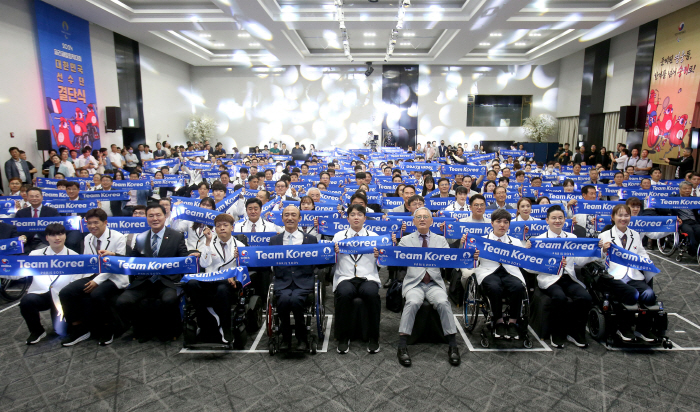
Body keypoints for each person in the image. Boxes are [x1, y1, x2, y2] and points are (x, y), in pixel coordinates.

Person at [115, 204, 191, 342]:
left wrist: (193, 255)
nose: (155, 218)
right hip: (145, 280)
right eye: (151, 216)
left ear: (164, 216)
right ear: (146, 218)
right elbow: (131, 259)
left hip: (168, 281)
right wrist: (113, 256)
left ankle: (169, 329)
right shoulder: (141, 237)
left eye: (158, 215)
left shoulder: (176, 236)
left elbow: (184, 259)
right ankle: (143, 328)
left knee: (169, 300)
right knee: (122, 301)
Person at [396, 207, 460, 367]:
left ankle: (453, 345)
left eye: (426, 217)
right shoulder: (405, 240)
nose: (422, 219)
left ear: (431, 221)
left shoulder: (440, 240)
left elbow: (449, 261)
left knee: (443, 303)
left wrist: (465, 253)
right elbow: (397, 259)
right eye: (419, 217)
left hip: (434, 283)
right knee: (412, 303)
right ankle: (402, 346)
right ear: (414, 221)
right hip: (414, 284)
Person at [58, 209, 127, 346]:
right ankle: (79, 329)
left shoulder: (118, 237)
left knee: (97, 294)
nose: (92, 226)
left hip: (114, 276)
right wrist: (81, 280)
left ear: (105, 223)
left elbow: (119, 264)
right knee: (66, 292)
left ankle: (109, 328)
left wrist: (97, 281)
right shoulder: (88, 238)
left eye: (96, 223)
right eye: (89, 223)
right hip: (93, 275)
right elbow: (88, 263)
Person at [533, 205, 596, 348]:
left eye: (560, 218)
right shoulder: (540, 240)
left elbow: (578, 261)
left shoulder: (572, 237)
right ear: (547, 220)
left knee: (585, 297)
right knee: (559, 297)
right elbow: (534, 266)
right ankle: (557, 333)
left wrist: (594, 253)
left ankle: (576, 332)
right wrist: (553, 263)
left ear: (565, 220)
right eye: (554, 218)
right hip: (550, 278)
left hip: (568, 277)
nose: (557, 221)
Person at [19, 223, 91, 345]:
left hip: (62, 297)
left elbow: (76, 283)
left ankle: (77, 327)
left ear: (65, 236)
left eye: (60, 234)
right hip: (41, 293)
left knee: (61, 331)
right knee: (26, 301)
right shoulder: (35, 255)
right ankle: (37, 331)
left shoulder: (75, 257)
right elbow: (19, 272)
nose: (57, 238)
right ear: (47, 238)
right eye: (52, 235)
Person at [598, 204, 658, 342]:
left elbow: (642, 253)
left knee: (649, 295)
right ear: (613, 217)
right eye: (620, 215)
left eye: (626, 215)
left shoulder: (635, 234)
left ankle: (643, 329)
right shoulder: (604, 235)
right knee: (632, 293)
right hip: (614, 276)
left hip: (633, 275)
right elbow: (597, 258)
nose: (623, 218)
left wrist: (648, 262)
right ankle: (623, 327)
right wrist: (603, 251)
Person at [185, 213, 245, 344]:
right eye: (218, 226)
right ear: (215, 229)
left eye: (225, 225)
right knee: (191, 284)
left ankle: (225, 327)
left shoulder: (240, 245)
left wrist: (238, 261)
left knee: (223, 288)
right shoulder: (208, 243)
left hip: (228, 284)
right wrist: (207, 243)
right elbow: (204, 264)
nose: (222, 228)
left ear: (232, 228)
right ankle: (206, 319)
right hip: (208, 282)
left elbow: (243, 269)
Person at [331, 204, 382, 354]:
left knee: (372, 294)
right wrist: (334, 253)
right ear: (347, 219)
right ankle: (343, 337)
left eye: (359, 214)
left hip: (368, 277)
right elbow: (330, 259)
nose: (356, 217)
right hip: (345, 277)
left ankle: (374, 337)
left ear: (365, 218)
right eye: (352, 215)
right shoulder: (338, 236)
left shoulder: (374, 237)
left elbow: (383, 264)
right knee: (345, 293)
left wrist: (380, 257)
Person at [472, 209, 527, 340]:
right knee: (495, 288)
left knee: (518, 287)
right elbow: (473, 260)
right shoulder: (481, 241)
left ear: (509, 225)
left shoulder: (515, 242)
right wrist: (471, 252)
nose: (502, 225)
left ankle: (513, 321)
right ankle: (498, 321)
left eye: (506, 222)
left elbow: (522, 261)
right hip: (489, 271)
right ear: (492, 223)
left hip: (509, 272)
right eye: (498, 221)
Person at [269, 205, 318, 352]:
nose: (290, 218)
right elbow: (268, 261)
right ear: (282, 218)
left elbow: (318, 262)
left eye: (293, 215)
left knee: (296, 301)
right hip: (283, 281)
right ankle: (286, 337)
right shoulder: (274, 240)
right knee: (283, 300)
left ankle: (302, 338)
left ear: (300, 218)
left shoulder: (311, 239)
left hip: (303, 282)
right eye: (286, 215)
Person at [16, 187, 60, 252]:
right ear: (27, 198)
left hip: (44, 241)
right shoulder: (21, 213)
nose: (34, 198)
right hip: (27, 241)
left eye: (37, 196)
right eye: (31, 196)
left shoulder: (52, 211)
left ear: (42, 197)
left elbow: (57, 227)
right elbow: (16, 229)